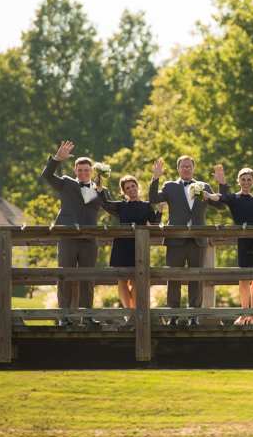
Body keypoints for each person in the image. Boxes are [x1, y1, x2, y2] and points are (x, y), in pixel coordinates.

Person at [149, 156, 228, 325]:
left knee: (197, 278)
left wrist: (221, 185)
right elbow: (154, 199)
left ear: (193, 168)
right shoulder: (169, 187)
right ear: (178, 169)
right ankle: (173, 315)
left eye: (189, 166)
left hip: (198, 240)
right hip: (175, 240)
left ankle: (194, 316)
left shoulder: (204, 187)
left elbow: (222, 206)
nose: (186, 169)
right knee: (173, 278)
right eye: (183, 167)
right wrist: (155, 178)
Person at [41, 140, 106, 326]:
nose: (83, 173)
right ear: (75, 171)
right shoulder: (66, 184)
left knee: (88, 278)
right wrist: (57, 159)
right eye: (80, 170)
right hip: (68, 236)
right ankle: (64, 316)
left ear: (92, 171)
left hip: (89, 240)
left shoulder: (100, 190)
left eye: (86, 170)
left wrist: (100, 189)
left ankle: (88, 316)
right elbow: (46, 175)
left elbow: (112, 207)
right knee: (64, 277)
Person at [206, 167, 253, 325]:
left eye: (249, 179)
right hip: (244, 241)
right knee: (243, 280)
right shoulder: (233, 198)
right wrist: (209, 194)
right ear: (238, 181)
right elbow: (220, 198)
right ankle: (244, 313)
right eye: (243, 179)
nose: (246, 182)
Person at [95, 174, 163, 320]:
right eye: (128, 188)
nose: (131, 189)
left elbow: (155, 224)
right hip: (122, 245)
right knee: (122, 280)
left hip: (139, 245)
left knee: (137, 279)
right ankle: (128, 314)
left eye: (133, 186)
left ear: (138, 187)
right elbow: (105, 204)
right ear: (124, 192)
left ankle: (135, 313)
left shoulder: (147, 206)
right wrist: (99, 188)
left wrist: (160, 211)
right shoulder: (120, 205)